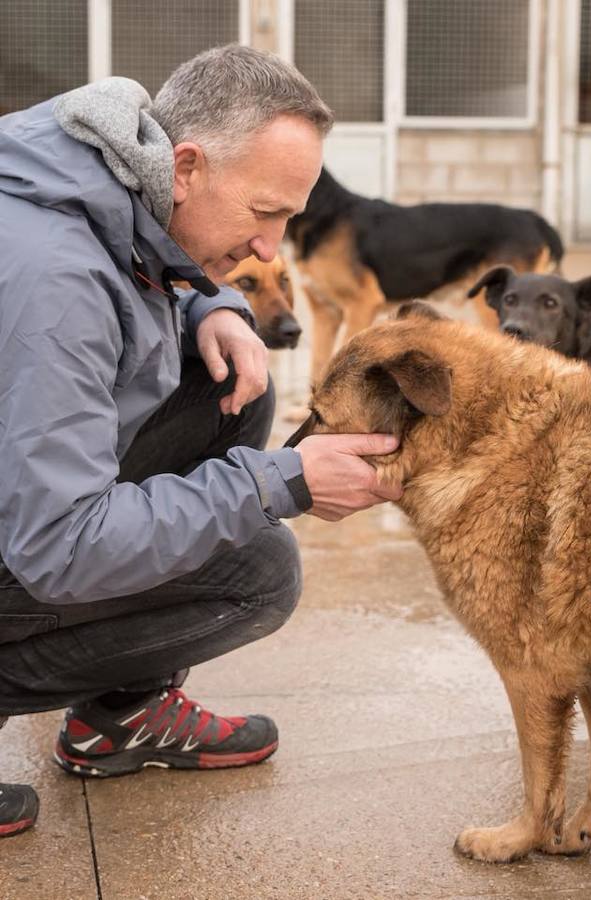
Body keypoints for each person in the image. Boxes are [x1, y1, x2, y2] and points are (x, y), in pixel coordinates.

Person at [0, 44, 402, 836]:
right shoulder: (55, 281)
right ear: (183, 167)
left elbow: (130, 255)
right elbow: (58, 544)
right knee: (257, 573)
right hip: (38, 531)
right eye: (266, 214)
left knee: (228, 392)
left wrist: (207, 305)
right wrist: (280, 483)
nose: (270, 250)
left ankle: (120, 716)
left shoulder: (84, 166)